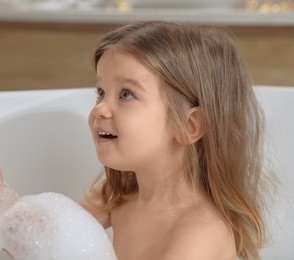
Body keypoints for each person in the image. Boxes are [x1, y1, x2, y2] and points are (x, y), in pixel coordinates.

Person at [79, 21, 270, 260]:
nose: (100, 110)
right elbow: (47, 234)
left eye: (126, 94)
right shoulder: (115, 195)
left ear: (189, 126)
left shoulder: (199, 232)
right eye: (101, 93)